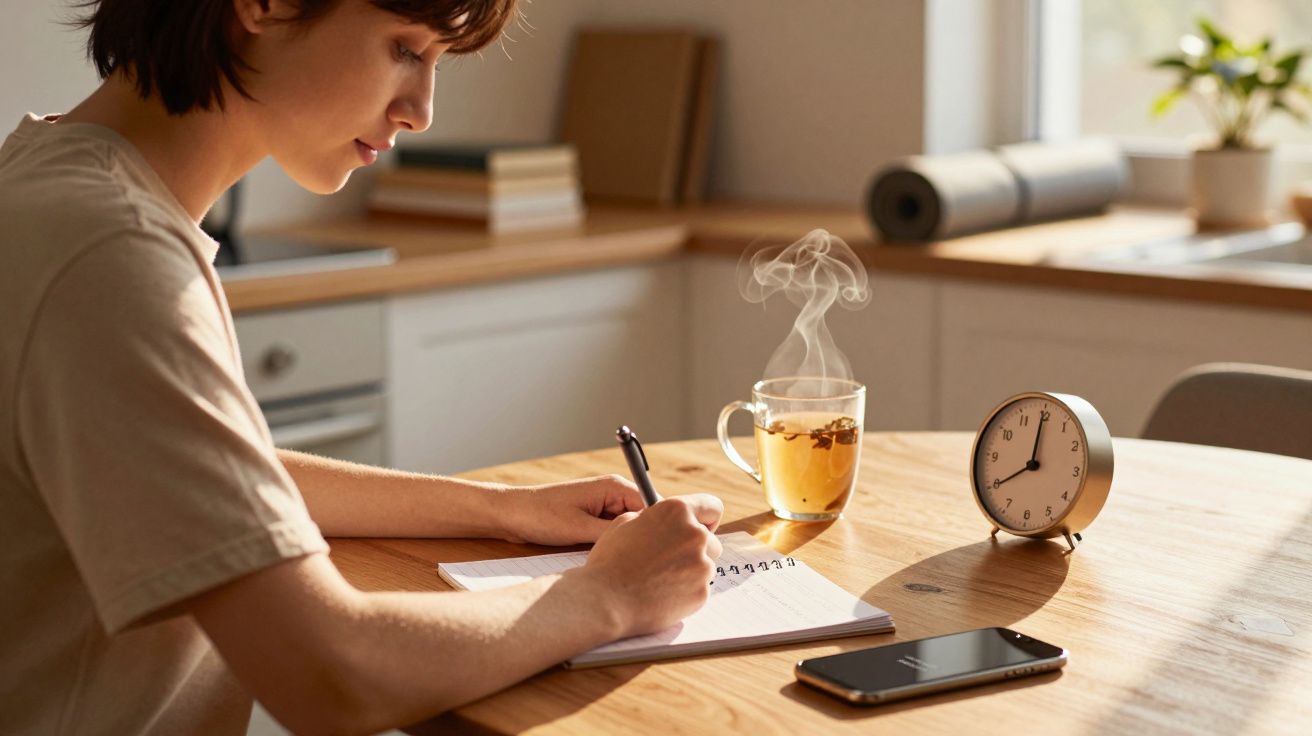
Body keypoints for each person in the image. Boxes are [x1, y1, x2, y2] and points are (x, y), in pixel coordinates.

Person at [0, 1, 724, 733]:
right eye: (405, 49)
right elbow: (333, 674)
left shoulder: (52, 185)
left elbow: (196, 481)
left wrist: (503, 510)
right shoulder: (109, 256)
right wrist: (610, 595)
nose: (421, 111)